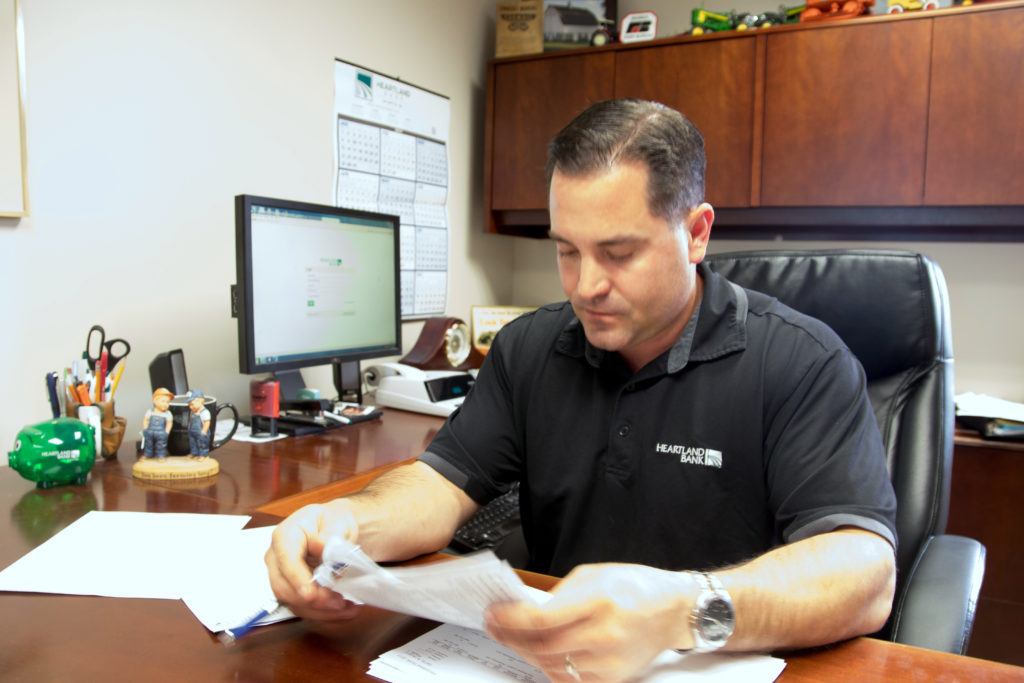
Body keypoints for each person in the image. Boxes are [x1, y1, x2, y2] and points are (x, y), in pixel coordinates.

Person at [266, 99, 897, 682]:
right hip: (555, 666)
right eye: (567, 250)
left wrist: (682, 609)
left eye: (618, 253)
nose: (585, 285)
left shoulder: (800, 361)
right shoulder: (528, 348)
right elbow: (441, 483)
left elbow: (864, 575)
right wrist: (349, 522)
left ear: (697, 232)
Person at [141, 387, 174, 460]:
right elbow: (146, 420)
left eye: (167, 402)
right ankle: (148, 455)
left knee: (161, 445)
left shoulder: (168, 414)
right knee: (149, 444)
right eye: (163, 401)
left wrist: (166, 432)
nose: (165, 404)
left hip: (161, 433)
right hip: (150, 432)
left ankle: (161, 456)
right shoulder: (150, 411)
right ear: (155, 401)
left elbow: (169, 423)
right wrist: (145, 429)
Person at [185, 389, 212, 459]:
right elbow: (191, 420)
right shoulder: (193, 412)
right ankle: (194, 453)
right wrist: (189, 428)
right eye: (189, 405)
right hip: (192, 431)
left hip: (201, 431)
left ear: (200, 401)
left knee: (202, 443)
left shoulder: (204, 412)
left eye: (192, 404)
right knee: (193, 443)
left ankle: (203, 454)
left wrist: (204, 432)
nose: (190, 407)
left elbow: (207, 422)